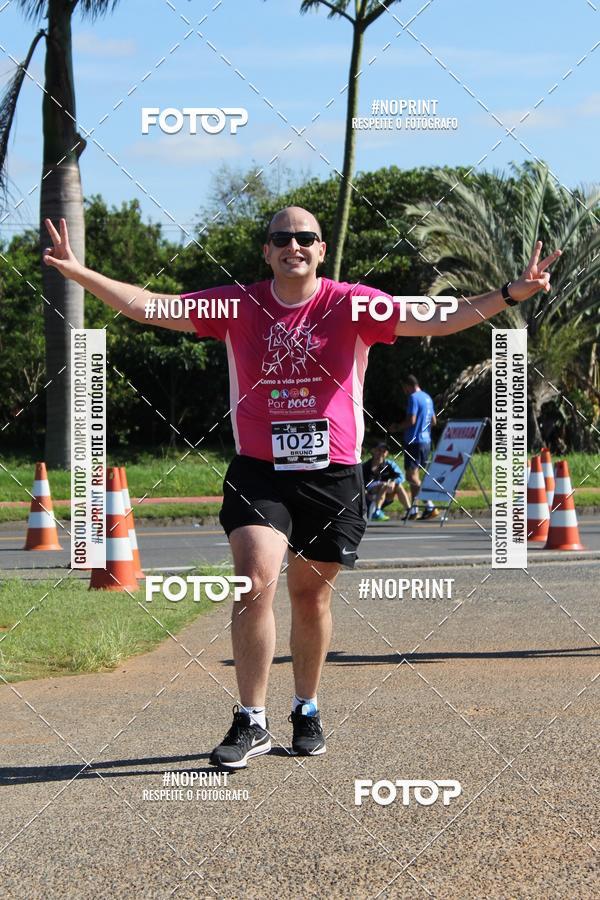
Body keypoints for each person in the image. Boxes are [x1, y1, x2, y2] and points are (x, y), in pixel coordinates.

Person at [42, 208, 560, 769]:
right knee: (254, 579)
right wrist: (78, 272)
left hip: (332, 475)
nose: (294, 245)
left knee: (310, 596)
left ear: (320, 249)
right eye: (282, 238)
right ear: (266, 251)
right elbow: (152, 306)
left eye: (306, 237)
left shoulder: (353, 303)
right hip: (259, 471)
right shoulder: (236, 305)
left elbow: (438, 318)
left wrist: (511, 293)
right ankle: (251, 719)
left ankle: (306, 706)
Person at [394, 374, 438, 520]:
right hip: (425, 441)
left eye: (404, 387)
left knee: (411, 476)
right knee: (416, 475)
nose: (404, 390)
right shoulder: (427, 398)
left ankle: (430, 506)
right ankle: (414, 510)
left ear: (408, 385)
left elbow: (411, 420)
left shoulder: (413, 398)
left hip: (414, 441)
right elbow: (433, 421)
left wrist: (396, 427)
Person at [362, 442, 410, 521]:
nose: (381, 453)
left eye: (384, 451)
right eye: (379, 450)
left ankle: (409, 511)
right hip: (370, 492)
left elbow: (401, 477)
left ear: (386, 453)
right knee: (384, 485)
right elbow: (360, 483)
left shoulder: (390, 464)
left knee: (398, 485)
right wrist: (365, 493)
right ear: (373, 451)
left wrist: (393, 482)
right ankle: (377, 512)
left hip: (386, 492)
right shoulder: (365, 466)